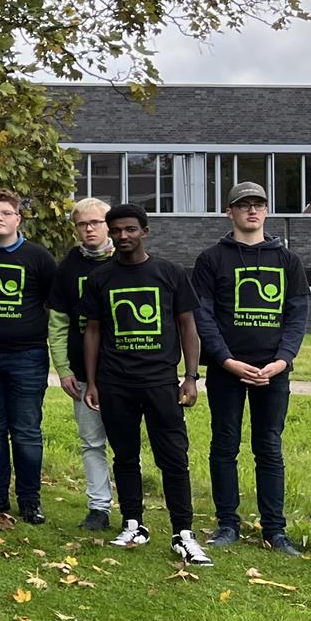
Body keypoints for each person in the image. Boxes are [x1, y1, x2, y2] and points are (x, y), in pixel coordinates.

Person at [82, 203, 210, 564]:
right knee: (124, 456)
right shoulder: (100, 279)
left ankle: (183, 533)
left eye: (130, 230)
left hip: (161, 382)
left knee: (173, 458)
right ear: (110, 233)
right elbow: (92, 331)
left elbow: (188, 326)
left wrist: (190, 377)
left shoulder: (169, 273)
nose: (123, 236)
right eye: (117, 230)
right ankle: (133, 523)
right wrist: (92, 382)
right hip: (115, 383)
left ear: (145, 231)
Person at [192, 180, 310, 555]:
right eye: (244, 205)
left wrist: (282, 361)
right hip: (227, 370)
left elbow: (297, 315)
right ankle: (228, 523)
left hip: (273, 372)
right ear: (230, 212)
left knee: (269, 447)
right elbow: (203, 317)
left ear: (266, 210)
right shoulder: (211, 259)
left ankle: (274, 530)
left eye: (258, 204)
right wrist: (226, 361)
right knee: (224, 446)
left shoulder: (288, 260)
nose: (252, 210)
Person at [0, 189, 58, 522]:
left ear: (18, 218)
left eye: (5, 213)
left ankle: (30, 500)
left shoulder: (38, 257)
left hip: (27, 356)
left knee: (27, 430)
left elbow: (51, 302)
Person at [47, 198, 117, 531]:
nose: (89, 229)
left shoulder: (129, 258)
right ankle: (99, 508)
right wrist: (63, 369)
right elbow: (58, 323)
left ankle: (132, 508)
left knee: (127, 443)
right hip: (83, 374)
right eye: (82, 224)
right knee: (92, 442)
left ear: (109, 225)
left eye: (96, 223)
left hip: (127, 371)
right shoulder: (68, 267)